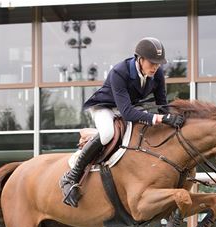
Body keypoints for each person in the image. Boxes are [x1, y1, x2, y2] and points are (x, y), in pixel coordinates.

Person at [59, 37, 185, 207]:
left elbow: (162, 104)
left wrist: (171, 122)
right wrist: (160, 119)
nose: (155, 66)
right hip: (105, 107)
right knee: (107, 134)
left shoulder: (158, 74)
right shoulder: (120, 71)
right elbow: (126, 113)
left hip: (127, 108)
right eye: (152, 62)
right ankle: (71, 176)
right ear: (140, 59)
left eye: (158, 63)